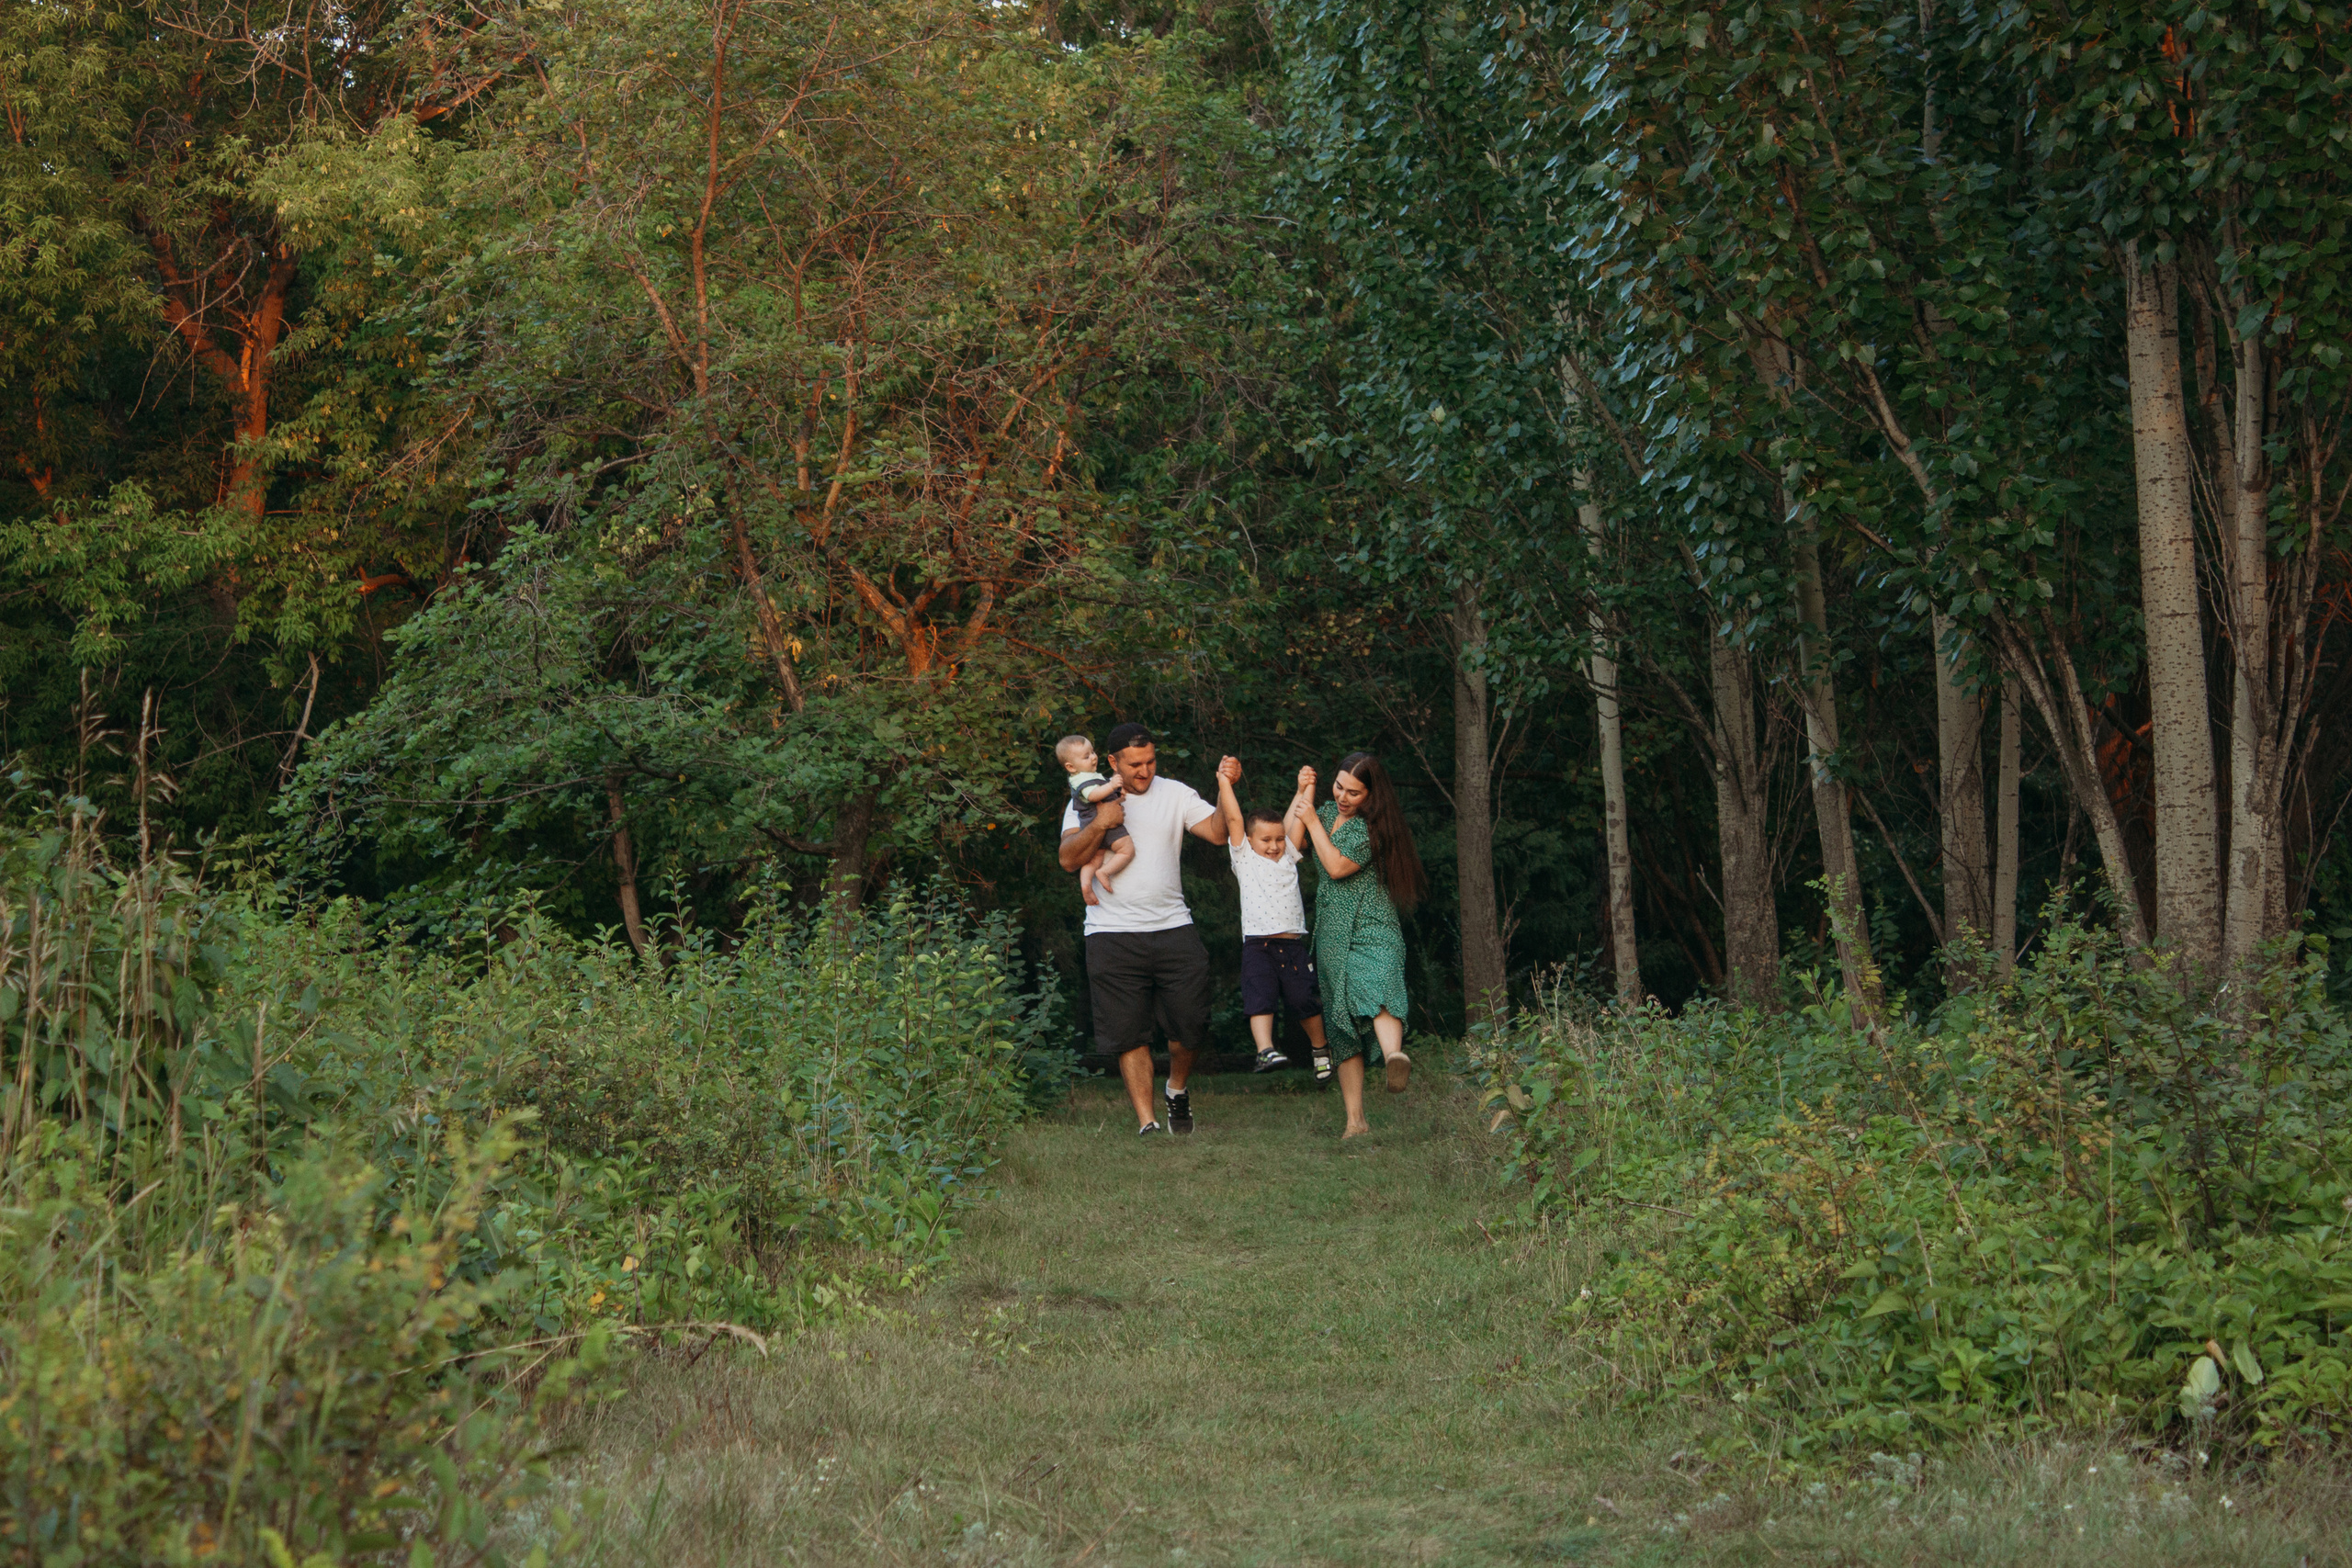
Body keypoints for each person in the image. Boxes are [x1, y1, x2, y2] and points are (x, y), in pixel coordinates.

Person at [1057, 723, 1232, 1135]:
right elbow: (1068, 859)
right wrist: (1101, 822)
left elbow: (1218, 833)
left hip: (1173, 927)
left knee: (1190, 1024)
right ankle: (1148, 1122)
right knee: (1129, 1033)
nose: (1145, 770)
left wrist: (1225, 788)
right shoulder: (1087, 796)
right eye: (1135, 764)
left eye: (1151, 761)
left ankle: (1176, 1088)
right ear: (1113, 761)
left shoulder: (1175, 793)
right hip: (1109, 932)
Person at [1297, 750, 1426, 1138]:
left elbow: (1336, 867)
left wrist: (1311, 821)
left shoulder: (1374, 830)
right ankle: (1356, 1122)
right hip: (1334, 931)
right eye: (1339, 786)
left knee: (1378, 984)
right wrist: (1303, 793)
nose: (1343, 797)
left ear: (1372, 795)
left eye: (1354, 792)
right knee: (1341, 1025)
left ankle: (1393, 1058)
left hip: (1374, 925)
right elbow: (1290, 840)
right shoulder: (1321, 811)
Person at [1212, 756, 1333, 1077]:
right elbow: (1235, 819)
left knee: (1303, 1001)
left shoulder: (1288, 857)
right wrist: (1224, 782)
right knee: (1259, 998)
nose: (1274, 846)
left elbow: (1298, 818)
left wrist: (1305, 787)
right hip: (1257, 946)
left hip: (1292, 946)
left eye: (1278, 839)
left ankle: (1320, 1048)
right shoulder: (1244, 859)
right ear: (1250, 841)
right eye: (1266, 840)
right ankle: (1264, 1051)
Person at [1056, 734, 1135, 905]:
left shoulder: (1085, 776)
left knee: (1094, 859)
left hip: (1089, 827)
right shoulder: (1082, 779)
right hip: (1103, 823)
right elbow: (1093, 795)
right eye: (1086, 756)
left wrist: (1115, 790)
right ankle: (1105, 872)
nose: (1093, 757)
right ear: (1070, 767)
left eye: (1092, 752)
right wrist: (1112, 785)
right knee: (1126, 850)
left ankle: (1086, 884)